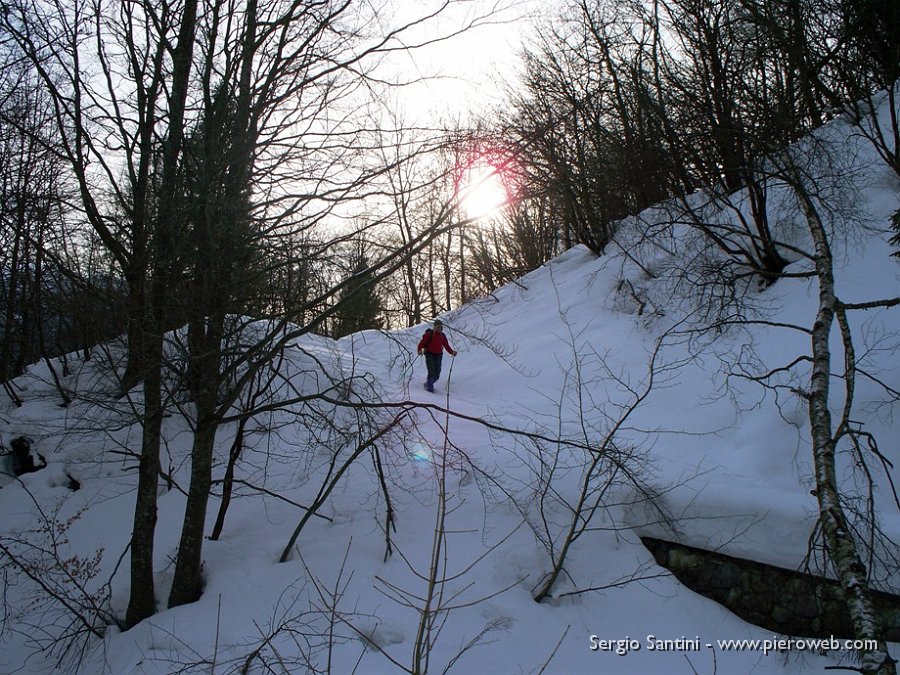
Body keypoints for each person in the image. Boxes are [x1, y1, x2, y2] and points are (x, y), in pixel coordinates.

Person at [417, 319, 456, 392]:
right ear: (434, 327)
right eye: (438, 327)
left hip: (438, 355)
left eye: (441, 327)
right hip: (429, 354)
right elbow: (422, 343)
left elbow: (446, 345)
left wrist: (452, 352)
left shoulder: (442, 336)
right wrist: (419, 350)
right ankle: (430, 388)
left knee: (437, 373)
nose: (440, 329)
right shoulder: (429, 334)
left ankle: (428, 383)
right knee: (431, 371)